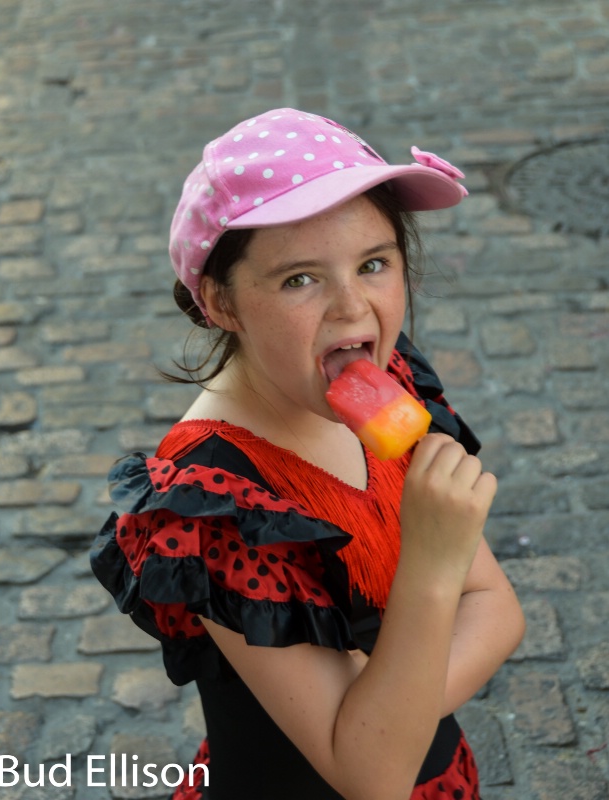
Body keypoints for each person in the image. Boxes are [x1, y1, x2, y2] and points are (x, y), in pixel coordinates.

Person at [91, 107, 525, 800]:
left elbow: (499, 610)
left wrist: (388, 715)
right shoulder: (212, 502)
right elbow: (369, 775)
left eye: (374, 264)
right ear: (221, 303)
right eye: (300, 279)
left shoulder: (396, 386)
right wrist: (435, 563)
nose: (353, 307)